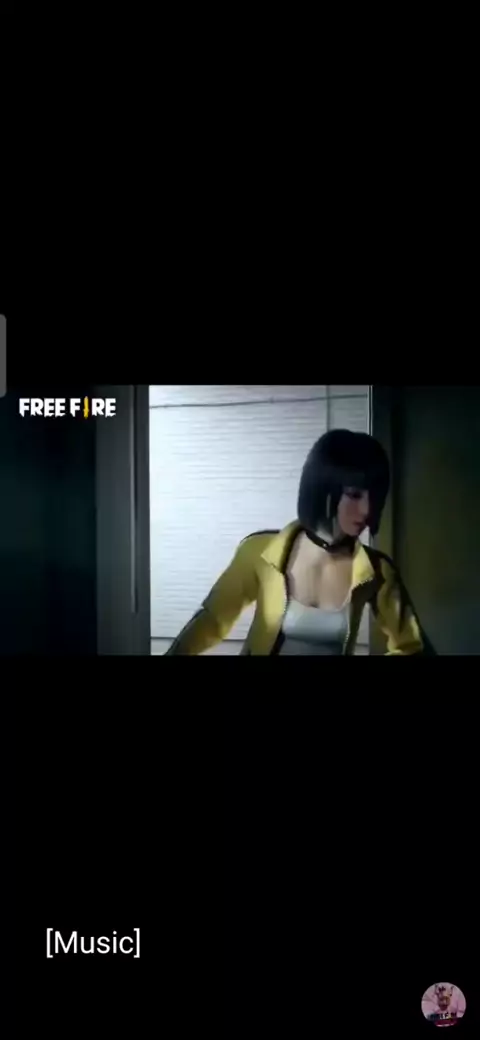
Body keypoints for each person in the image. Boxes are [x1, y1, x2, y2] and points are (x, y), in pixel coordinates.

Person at [166, 429, 430, 656]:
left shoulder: (376, 570)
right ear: (323, 488)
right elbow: (213, 619)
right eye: (354, 495)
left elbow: (412, 646)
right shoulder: (259, 551)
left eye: (374, 497)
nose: (366, 510)